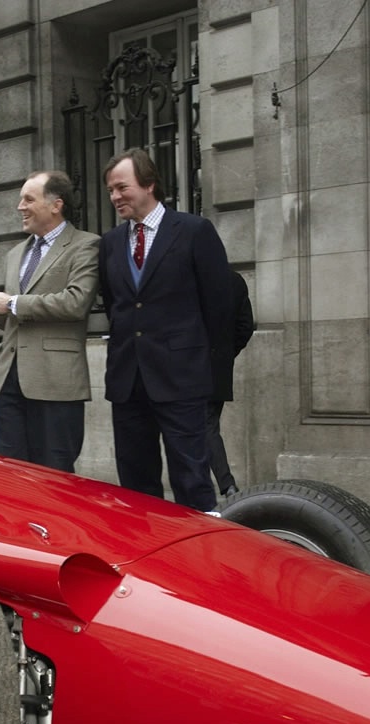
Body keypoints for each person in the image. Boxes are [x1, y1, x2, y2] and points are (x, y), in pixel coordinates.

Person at [98, 148, 234, 513]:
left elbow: (221, 307)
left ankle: (201, 559)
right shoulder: (110, 243)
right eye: (110, 190)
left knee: (191, 481)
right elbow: (117, 306)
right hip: (128, 382)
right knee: (136, 487)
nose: (115, 197)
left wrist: (205, 367)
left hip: (182, 381)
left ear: (149, 184)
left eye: (122, 187)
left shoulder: (193, 231)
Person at [0, 170, 99, 472]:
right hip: (7, 383)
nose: (20, 207)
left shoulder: (85, 245)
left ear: (56, 205)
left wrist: (13, 302)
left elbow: (76, 303)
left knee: (55, 475)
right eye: (20, 200)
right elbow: (12, 320)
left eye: (29, 199)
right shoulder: (16, 253)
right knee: (9, 475)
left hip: (55, 383)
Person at [207, 269, 256, 498]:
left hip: (186, 368)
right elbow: (245, 327)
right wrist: (225, 356)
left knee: (200, 430)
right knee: (207, 428)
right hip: (218, 369)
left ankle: (224, 485)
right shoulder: (234, 280)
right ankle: (224, 486)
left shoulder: (186, 275)